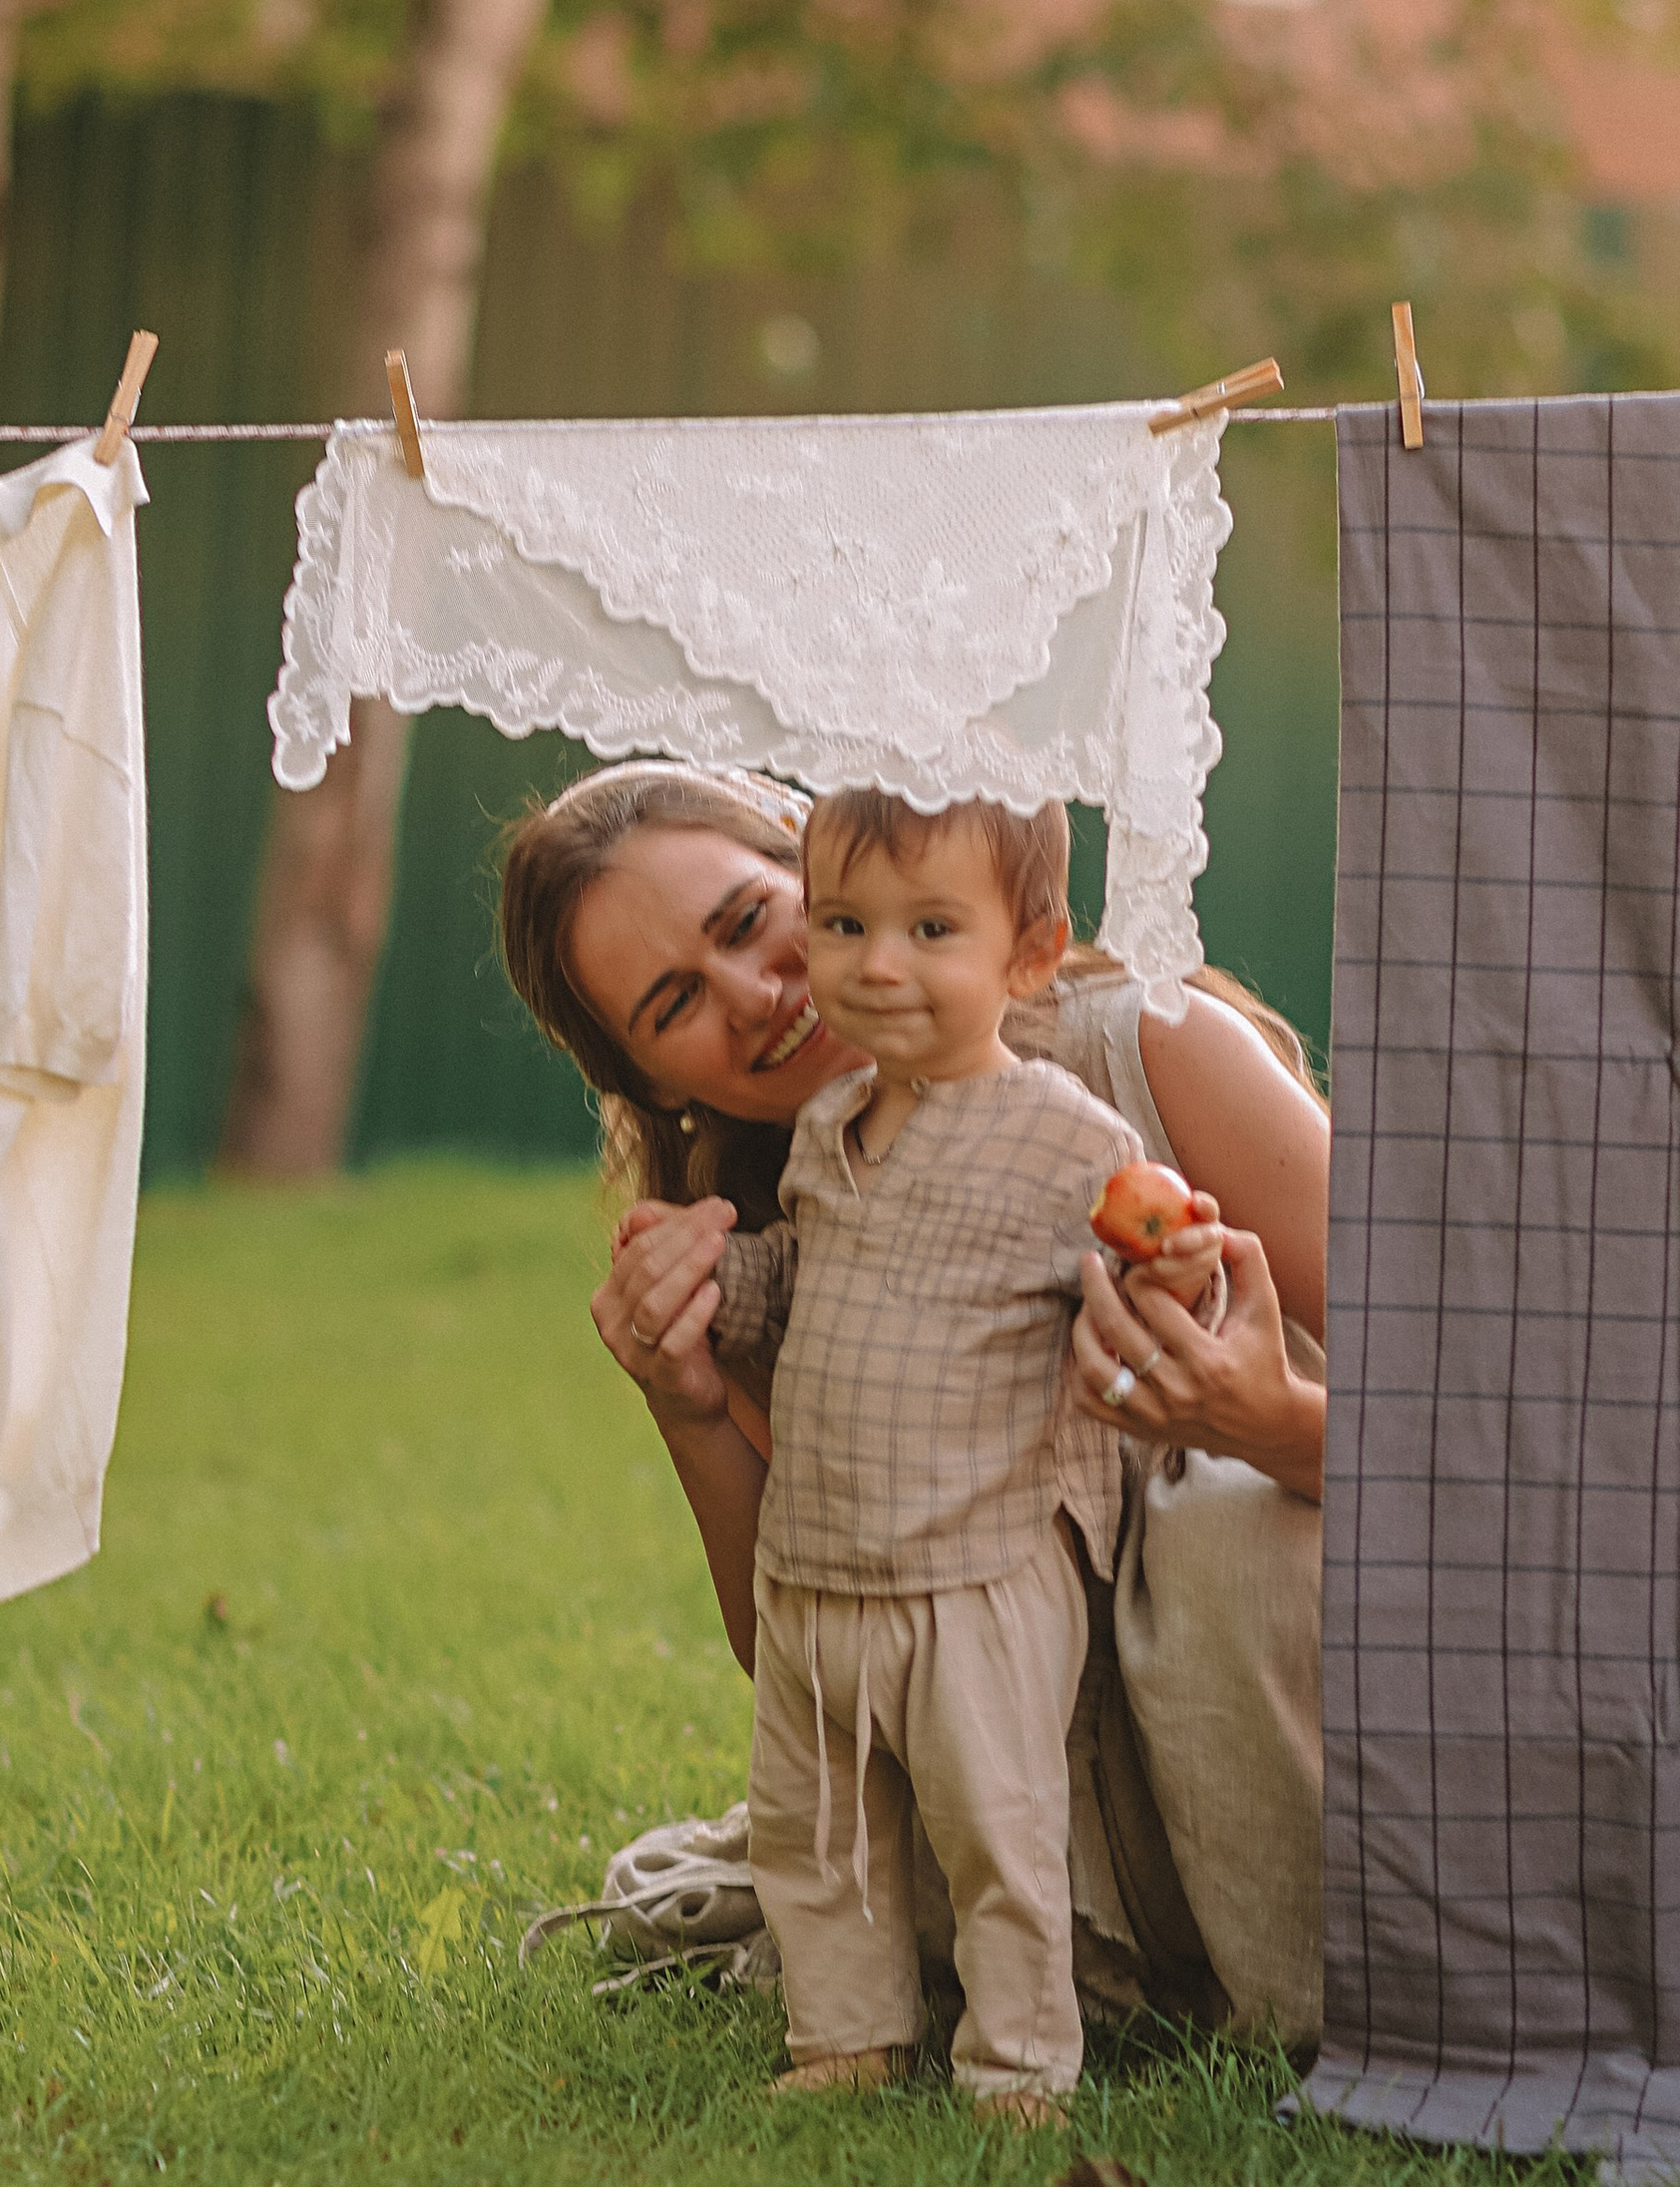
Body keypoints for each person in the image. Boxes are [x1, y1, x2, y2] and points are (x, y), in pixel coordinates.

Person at [498, 759, 1329, 2055]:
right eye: (676, 1004)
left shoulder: (1148, 1054)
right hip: (1038, 1756)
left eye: (748, 920)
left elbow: (1502, 1417)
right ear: (658, 1084)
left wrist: (1265, 1422)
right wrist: (690, 1403)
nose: (755, 994)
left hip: (1302, 1652)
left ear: (816, 851)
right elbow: (819, 1637)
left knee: (1221, 1534)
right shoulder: (779, 1222)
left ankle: (1329, 1976)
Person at [688, 787, 1225, 2115]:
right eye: (843, 925)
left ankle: (1020, 2063)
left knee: (1000, 1832)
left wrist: (1174, 1264)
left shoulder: (1067, 1135)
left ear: (1027, 956)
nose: (878, 964)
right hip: (818, 1563)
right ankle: (847, 2036)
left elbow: (1151, 1288)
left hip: (977, 1569)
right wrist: (718, 1284)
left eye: (931, 930)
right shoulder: (829, 1128)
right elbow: (803, 1287)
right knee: (815, 1832)